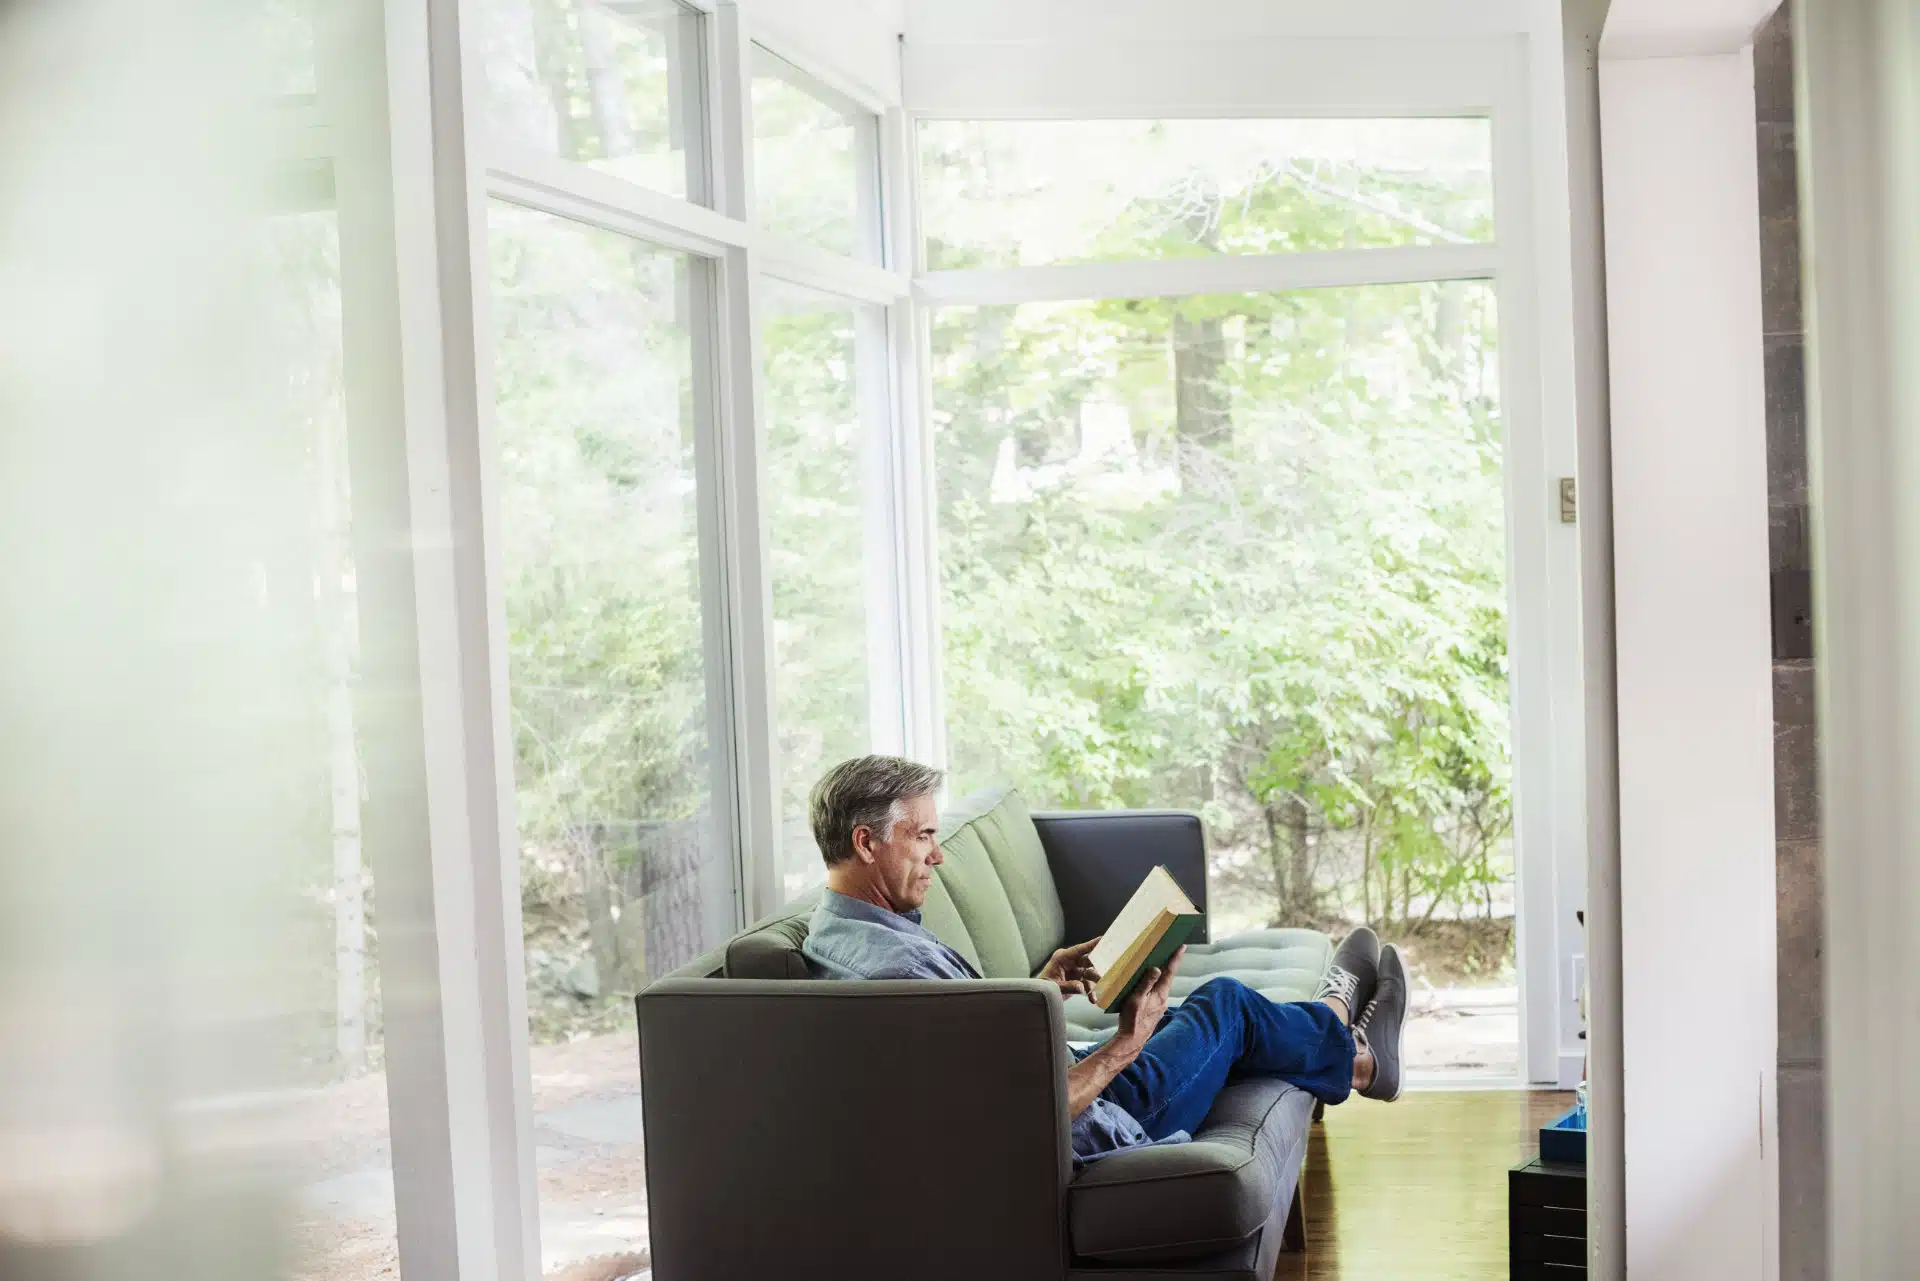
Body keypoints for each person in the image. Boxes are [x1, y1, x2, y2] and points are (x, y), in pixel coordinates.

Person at [800, 755, 1407, 1164]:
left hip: (1066, 1069)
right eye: (923, 836)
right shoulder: (900, 973)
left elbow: (976, 1046)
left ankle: (1336, 1020)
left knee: (1194, 1017)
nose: (938, 856)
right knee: (1226, 1007)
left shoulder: (840, 933)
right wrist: (1125, 1044)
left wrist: (1040, 987)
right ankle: (1356, 1054)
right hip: (1103, 1113)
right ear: (865, 841)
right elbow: (1022, 1114)